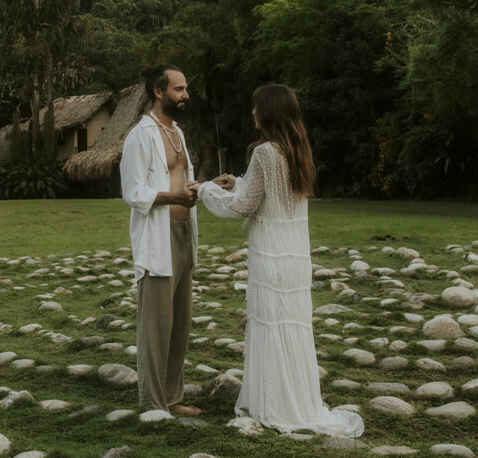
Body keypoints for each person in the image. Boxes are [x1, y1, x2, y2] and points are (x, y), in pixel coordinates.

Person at [198, 83, 364, 437]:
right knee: (291, 330)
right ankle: (296, 403)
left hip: (271, 257)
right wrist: (237, 181)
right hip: (295, 259)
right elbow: (270, 193)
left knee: (270, 329)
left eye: (256, 106)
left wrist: (205, 190)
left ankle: (272, 406)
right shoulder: (297, 150)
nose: (253, 113)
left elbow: (245, 206)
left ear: (269, 111)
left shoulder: (264, 152)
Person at [118, 63, 202, 416]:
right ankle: (153, 404)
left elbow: (181, 179)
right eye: (179, 89)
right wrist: (174, 197)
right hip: (158, 236)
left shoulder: (177, 132)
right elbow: (133, 192)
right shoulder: (140, 136)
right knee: (156, 325)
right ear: (158, 91)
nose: (185, 95)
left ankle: (172, 398)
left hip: (184, 233)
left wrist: (202, 190)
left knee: (180, 323)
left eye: (185, 89)